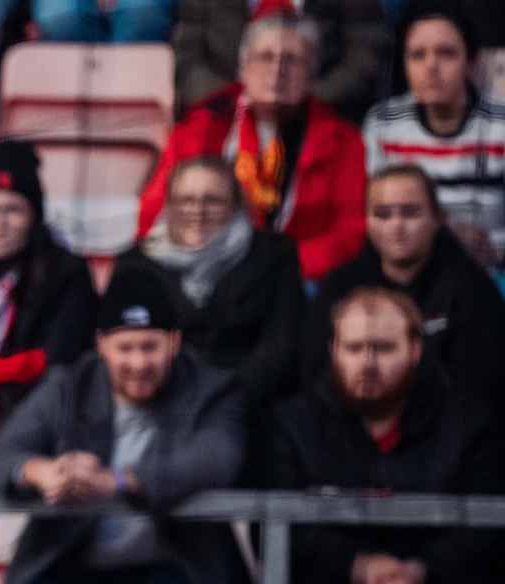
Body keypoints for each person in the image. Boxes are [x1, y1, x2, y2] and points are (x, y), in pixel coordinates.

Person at [0, 272, 247, 584]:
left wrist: (115, 481)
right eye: (125, 349)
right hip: (71, 559)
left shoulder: (211, 389)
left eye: (149, 347)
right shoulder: (68, 386)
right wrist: (43, 472)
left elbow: (217, 458)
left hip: (172, 562)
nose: (138, 363)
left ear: (174, 342)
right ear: (102, 345)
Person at [270, 286, 504, 584]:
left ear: (415, 350)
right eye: (354, 348)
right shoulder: (292, 424)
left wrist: (419, 571)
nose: (367, 363)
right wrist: (359, 566)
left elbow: (485, 527)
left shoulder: (469, 424)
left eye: (383, 348)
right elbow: (282, 526)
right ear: (334, 350)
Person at [140, 12, 369, 283]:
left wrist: (280, 269)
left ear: (312, 75)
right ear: (243, 69)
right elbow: (154, 213)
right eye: (265, 57)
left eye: (292, 60)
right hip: (207, 270)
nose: (277, 70)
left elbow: (348, 233)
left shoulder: (342, 139)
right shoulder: (199, 128)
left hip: (297, 277)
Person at [304, 164, 505, 410]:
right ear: (366, 219)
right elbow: (315, 376)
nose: (396, 226)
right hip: (350, 422)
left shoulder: (473, 289)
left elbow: (482, 386)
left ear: (438, 218)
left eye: (410, 213)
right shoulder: (339, 287)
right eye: (382, 214)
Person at [113, 155, 305, 406]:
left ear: (235, 205)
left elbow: (281, 348)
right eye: (186, 200)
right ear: (169, 205)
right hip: (160, 403)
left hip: (250, 402)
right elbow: (124, 346)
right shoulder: (135, 263)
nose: (198, 211)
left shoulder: (273, 256)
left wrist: (224, 400)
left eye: (212, 200)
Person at [0, 141, 98, 449]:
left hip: (27, 424)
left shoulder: (64, 273)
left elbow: (59, 359)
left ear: (34, 217)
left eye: (13, 210)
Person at [363, 4, 505, 268]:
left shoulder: (501, 125)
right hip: (407, 268)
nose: (431, 66)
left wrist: (494, 248)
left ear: (471, 63)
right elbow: (374, 214)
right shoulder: (384, 123)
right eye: (417, 55)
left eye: (446, 53)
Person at [172, 0, 392, 123]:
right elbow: (187, 61)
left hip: (321, 117)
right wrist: (237, 100)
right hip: (223, 117)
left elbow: (367, 54)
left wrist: (306, 100)